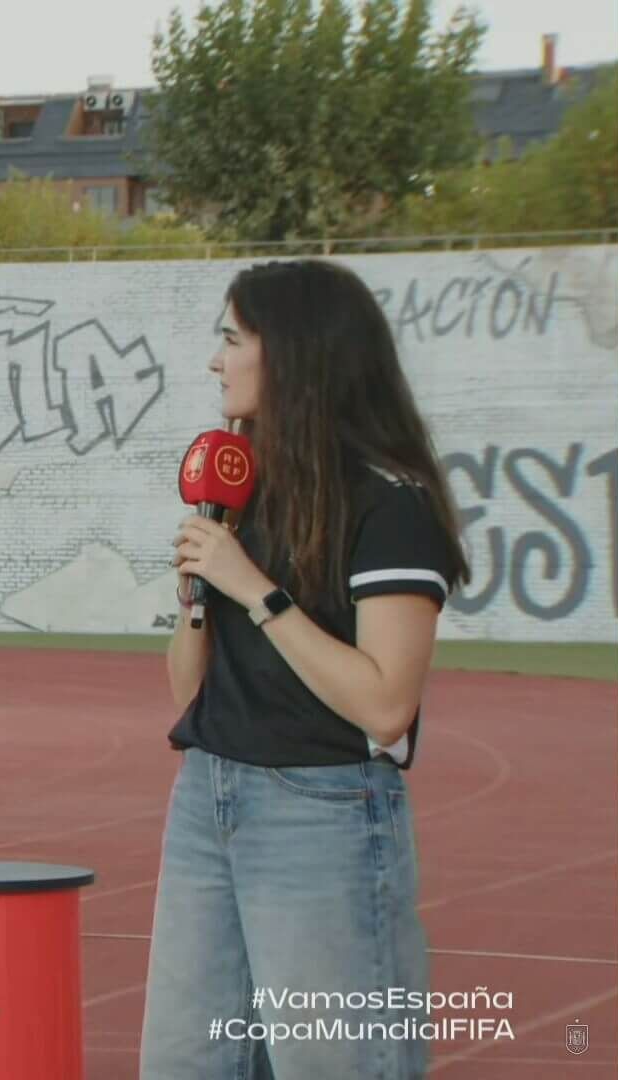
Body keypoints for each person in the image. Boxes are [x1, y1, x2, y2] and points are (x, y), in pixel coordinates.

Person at [139, 259, 471, 1079]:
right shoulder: (241, 495)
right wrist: (195, 593)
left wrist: (256, 590)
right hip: (208, 797)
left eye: (230, 340)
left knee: (333, 1063)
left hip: (321, 811)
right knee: (186, 1062)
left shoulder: (390, 507)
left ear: (291, 355)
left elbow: (386, 706)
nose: (216, 361)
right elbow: (190, 694)